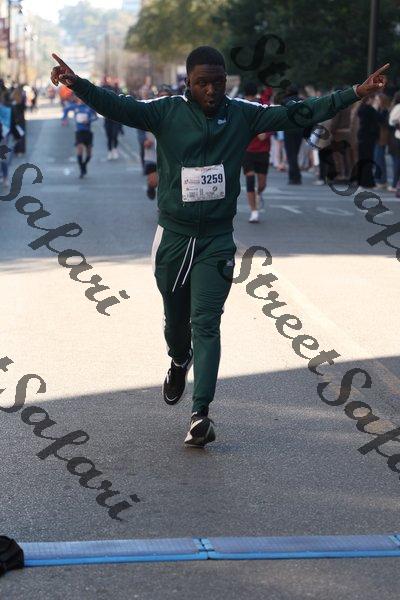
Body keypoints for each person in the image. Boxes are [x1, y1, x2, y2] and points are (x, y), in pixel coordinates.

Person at [51, 48, 389, 448]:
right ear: (188, 83)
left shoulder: (243, 114)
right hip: (173, 238)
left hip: (216, 239)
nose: (211, 90)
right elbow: (116, 105)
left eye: (218, 82)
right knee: (176, 324)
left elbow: (298, 114)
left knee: (207, 323)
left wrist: (355, 92)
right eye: (202, 83)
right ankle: (179, 359)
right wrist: (77, 83)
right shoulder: (166, 112)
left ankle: (200, 414)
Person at [241, 81, 272, 223]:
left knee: (262, 184)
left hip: (263, 150)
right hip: (247, 150)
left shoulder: (264, 107)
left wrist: (261, 129)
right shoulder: (240, 107)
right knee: (249, 179)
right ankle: (254, 211)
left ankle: (259, 193)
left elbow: (264, 135)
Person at [62, 96, 98, 178]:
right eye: (79, 97)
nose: (81, 99)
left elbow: (95, 117)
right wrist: (64, 118)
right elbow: (66, 109)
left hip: (88, 132)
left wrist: (89, 120)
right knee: (80, 150)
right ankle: (82, 170)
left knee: (89, 154)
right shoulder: (75, 107)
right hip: (79, 132)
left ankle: (84, 165)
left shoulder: (89, 107)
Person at [281, 85, 304, 184]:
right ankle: (295, 175)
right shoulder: (302, 101)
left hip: (289, 130)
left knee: (291, 154)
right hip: (299, 129)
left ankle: (294, 176)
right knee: (295, 153)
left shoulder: (285, 101)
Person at [356, 95, 380, 188]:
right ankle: (368, 182)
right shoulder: (370, 110)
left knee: (362, 159)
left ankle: (362, 181)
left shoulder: (361, 109)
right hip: (369, 137)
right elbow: (379, 120)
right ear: (369, 99)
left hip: (361, 136)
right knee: (368, 160)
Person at [388, 91, 400, 192]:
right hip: (396, 136)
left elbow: (391, 121)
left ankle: (395, 184)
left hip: (396, 136)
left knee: (397, 161)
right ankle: (395, 184)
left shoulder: (397, 107)